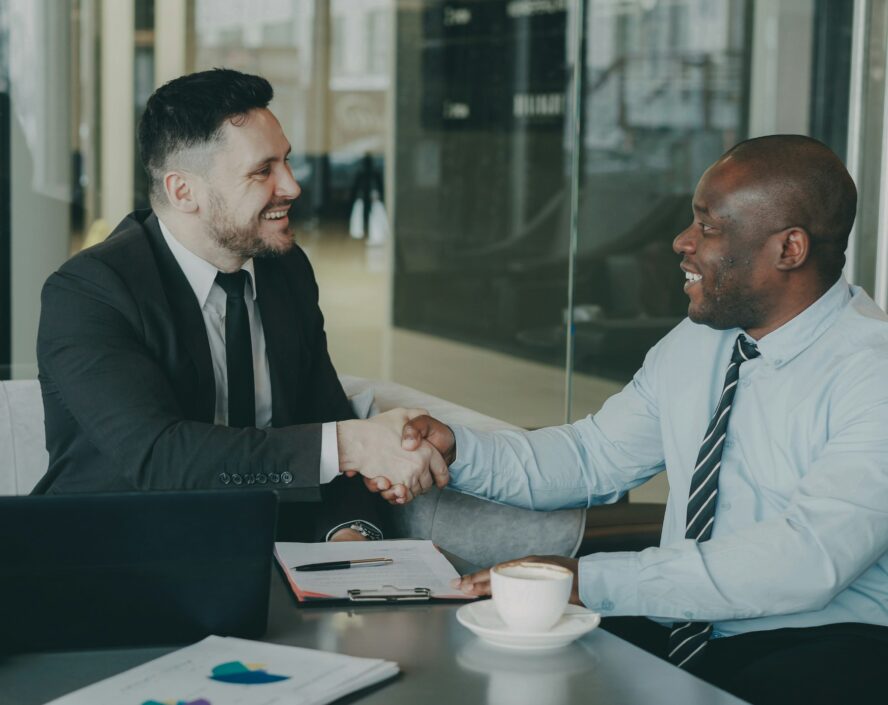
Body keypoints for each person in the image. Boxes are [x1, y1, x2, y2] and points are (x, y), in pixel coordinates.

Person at [396, 135, 888, 704]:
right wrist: (459, 450)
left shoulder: (872, 374)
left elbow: (807, 559)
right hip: (684, 624)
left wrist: (590, 580)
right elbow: (594, 456)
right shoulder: (700, 341)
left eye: (708, 226)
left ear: (789, 248)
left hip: (827, 641)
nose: (682, 241)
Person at [35, 68, 445, 541]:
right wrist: (349, 444)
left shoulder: (285, 270)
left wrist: (349, 533)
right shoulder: (90, 292)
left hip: (264, 551)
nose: (291, 186)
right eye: (263, 171)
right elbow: (157, 457)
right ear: (183, 191)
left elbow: (323, 416)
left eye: (286, 161)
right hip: (116, 555)